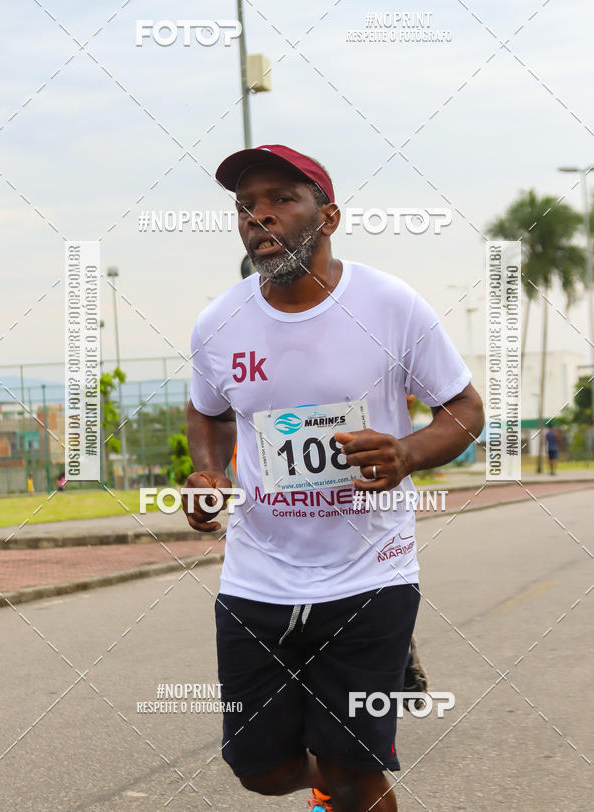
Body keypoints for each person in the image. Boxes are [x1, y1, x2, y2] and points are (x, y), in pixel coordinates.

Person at [183, 144, 484, 812]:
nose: (259, 216)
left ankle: (347, 773)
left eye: (281, 200)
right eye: (246, 206)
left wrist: (406, 453)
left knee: (355, 774)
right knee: (260, 770)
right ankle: (332, 777)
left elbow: (465, 409)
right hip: (257, 576)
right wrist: (208, 471)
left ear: (329, 216)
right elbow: (208, 411)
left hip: (370, 574)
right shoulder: (218, 323)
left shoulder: (391, 305)